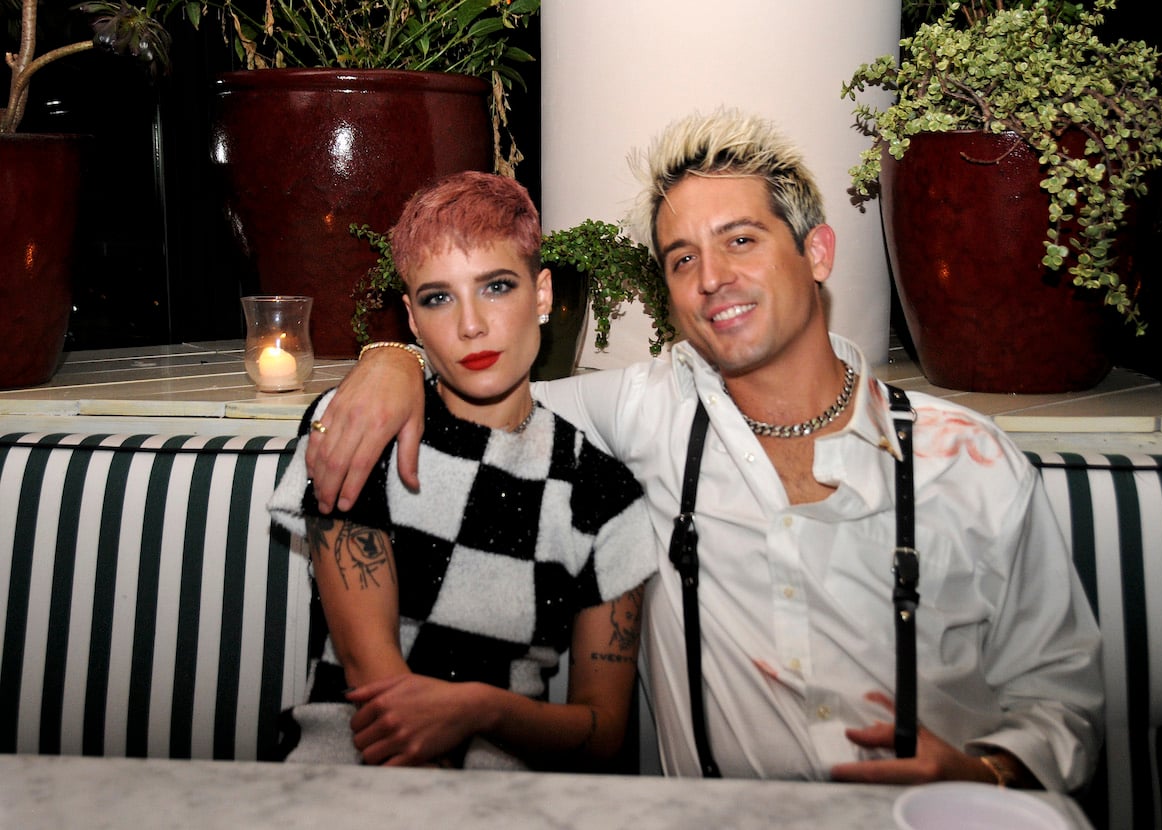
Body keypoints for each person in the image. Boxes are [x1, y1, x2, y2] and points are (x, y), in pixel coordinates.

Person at [302, 110, 1104, 791]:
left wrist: (979, 773)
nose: (711, 277)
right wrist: (392, 357)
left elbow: (1066, 703)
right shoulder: (645, 414)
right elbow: (475, 392)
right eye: (682, 258)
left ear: (817, 252)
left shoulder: (967, 461)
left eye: (741, 240)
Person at [268, 171, 656, 771]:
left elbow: (603, 733)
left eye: (496, 286)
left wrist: (482, 709)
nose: (470, 324)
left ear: (543, 294)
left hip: (506, 795)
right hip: (341, 776)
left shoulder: (603, 494)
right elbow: (377, 680)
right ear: (412, 319)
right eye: (438, 297)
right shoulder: (358, 428)